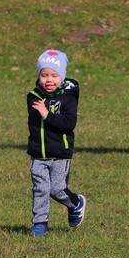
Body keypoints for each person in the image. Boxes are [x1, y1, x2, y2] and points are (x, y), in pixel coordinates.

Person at [27, 49, 86, 237]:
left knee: (57, 189)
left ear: (62, 77)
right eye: (44, 75)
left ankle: (75, 203)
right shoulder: (33, 96)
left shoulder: (68, 99)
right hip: (38, 153)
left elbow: (69, 123)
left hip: (60, 153)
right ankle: (39, 223)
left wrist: (47, 114)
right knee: (40, 189)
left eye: (54, 75)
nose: (49, 80)